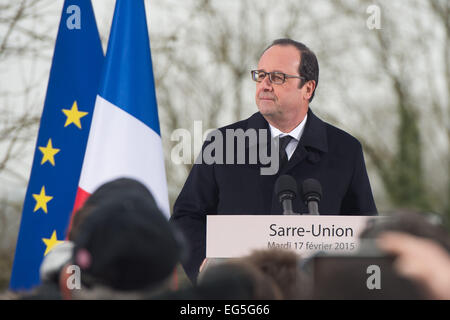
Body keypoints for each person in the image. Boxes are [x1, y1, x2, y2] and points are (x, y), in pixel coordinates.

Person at [171, 38, 378, 283]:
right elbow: (186, 216)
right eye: (260, 75)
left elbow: (364, 228)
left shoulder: (345, 150)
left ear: (308, 89)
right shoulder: (222, 143)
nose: (265, 85)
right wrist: (204, 263)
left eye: (278, 77)